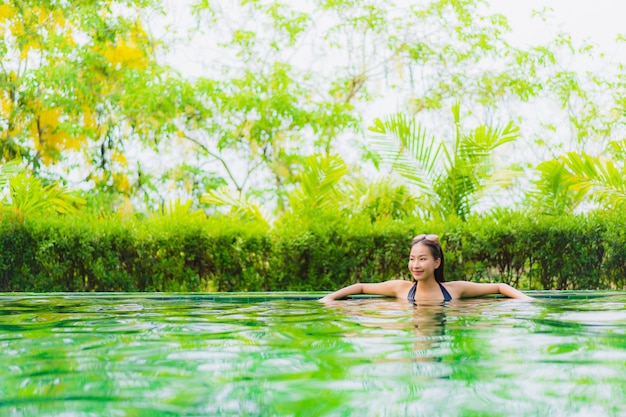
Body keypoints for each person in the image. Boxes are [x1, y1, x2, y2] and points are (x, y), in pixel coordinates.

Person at [319, 234, 533, 302]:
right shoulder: (401, 289)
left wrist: (528, 302)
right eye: (412, 259)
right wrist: (327, 299)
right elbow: (362, 287)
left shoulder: (454, 290)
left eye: (422, 259)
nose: (415, 265)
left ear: (436, 262)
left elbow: (498, 286)